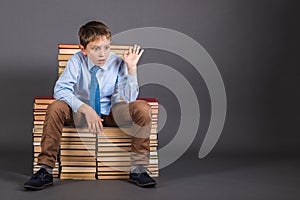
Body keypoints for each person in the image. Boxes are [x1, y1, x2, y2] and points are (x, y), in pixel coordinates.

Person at [24, 21, 156, 190]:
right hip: (80, 113)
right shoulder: (76, 61)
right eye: (96, 49)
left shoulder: (116, 62)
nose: (103, 54)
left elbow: (129, 98)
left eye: (106, 47)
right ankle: (45, 170)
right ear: (83, 49)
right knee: (55, 107)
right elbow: (61, 90)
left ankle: (138, 169)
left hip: (111, 112)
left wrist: (131, 69)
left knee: (142, 108)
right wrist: (85, 108)